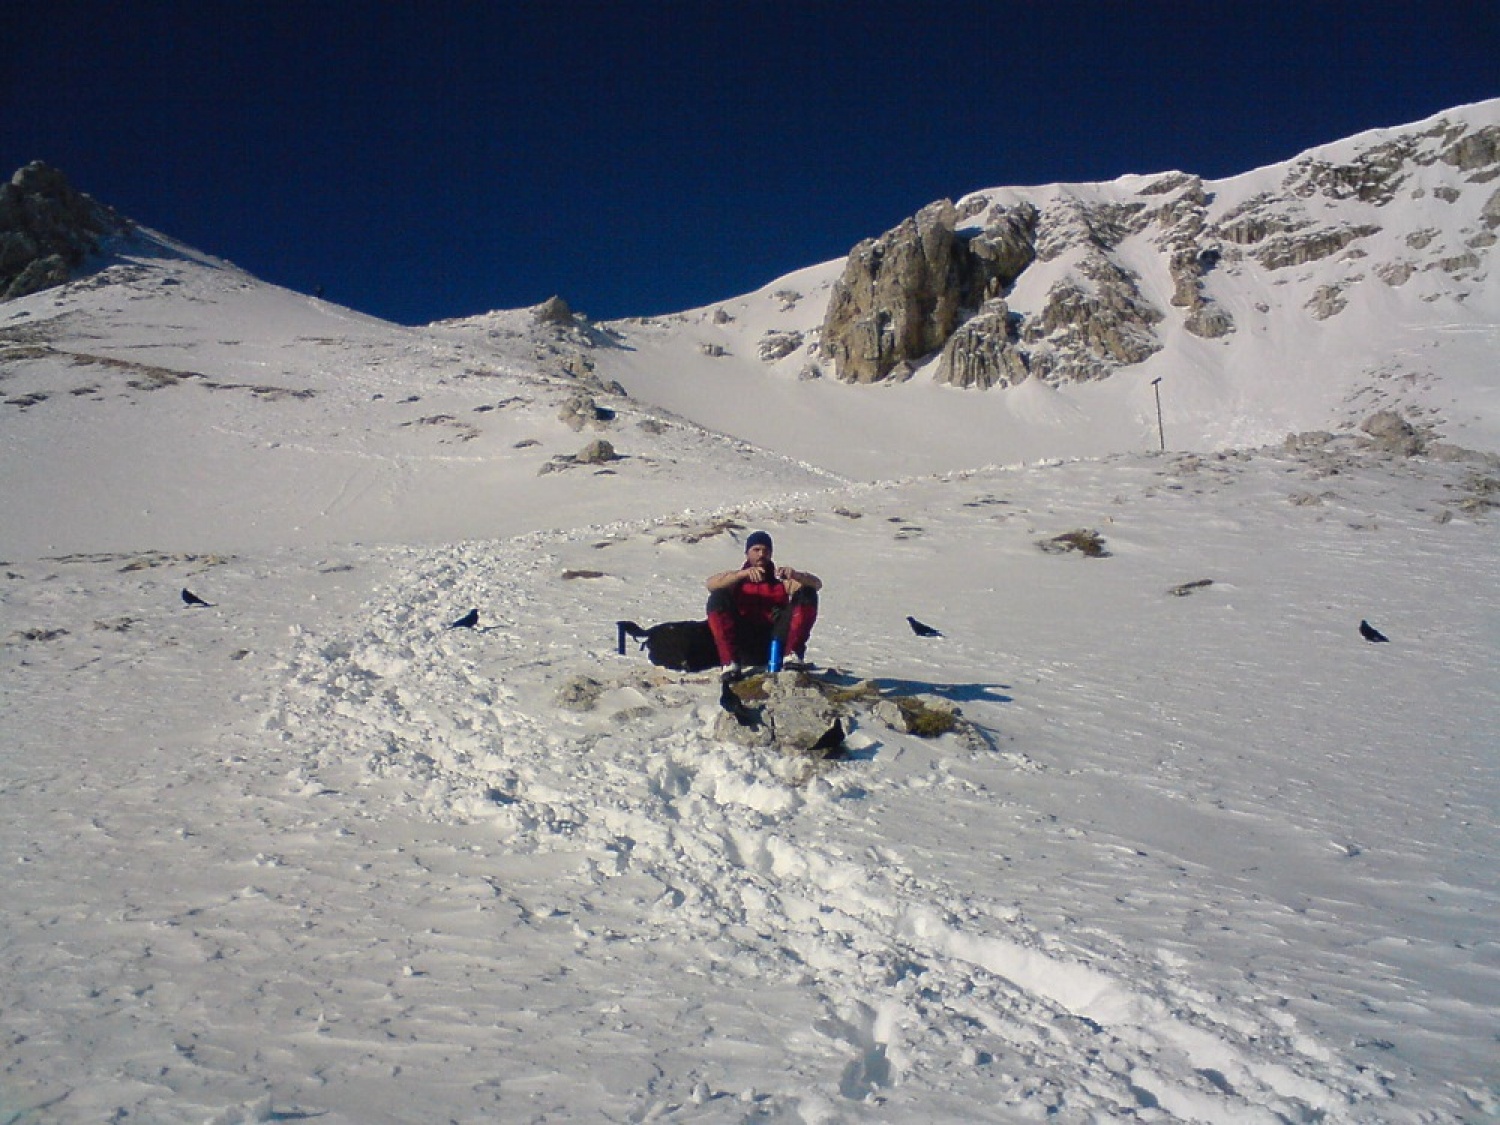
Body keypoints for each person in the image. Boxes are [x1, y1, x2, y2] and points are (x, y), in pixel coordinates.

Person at [705, 531, 821, 671]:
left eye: (765, 550)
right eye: (756, 550)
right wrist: (742, 574)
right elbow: (711, 584)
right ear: (747, 553)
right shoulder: (736, 581)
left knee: (807, 593)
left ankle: (792, 654)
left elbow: (816, 585)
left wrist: (797, 575)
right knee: (718, 597)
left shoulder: (781, 582)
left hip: (774, 640)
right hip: (743, 639)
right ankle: (729, 662)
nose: (761, 554)